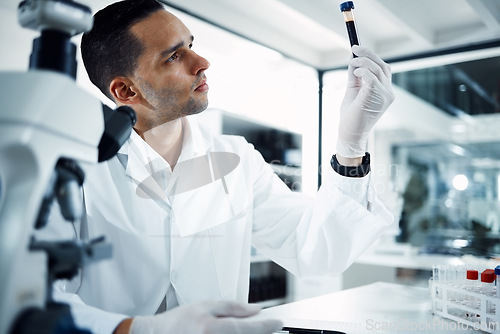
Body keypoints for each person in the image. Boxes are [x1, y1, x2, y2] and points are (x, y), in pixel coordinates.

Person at [40, 0, 395, 333]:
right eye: (174, 56)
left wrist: (352, 142)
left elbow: (317, 249)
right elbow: (36, 296)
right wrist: (142, 330)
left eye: (191, 44)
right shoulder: (73, 167)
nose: (202, 62)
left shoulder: (237, 159)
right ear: (126, 91)